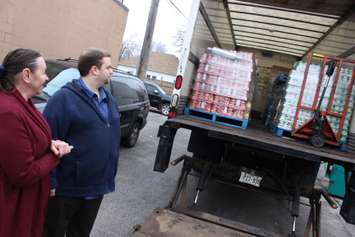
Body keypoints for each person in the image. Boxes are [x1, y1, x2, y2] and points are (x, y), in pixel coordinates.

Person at [43, 49, 120, 237]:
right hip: (67, 187)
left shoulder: (108, 100)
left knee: (80, 233)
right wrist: (50, 182)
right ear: (94, 69)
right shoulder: (64, 99)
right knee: (52, 232)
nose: (112, 71)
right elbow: (47, 142)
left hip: (96, 186)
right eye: (108, 67)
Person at [0, 48, 73, 237]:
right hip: (11, 207)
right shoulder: (9, 111)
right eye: (43, 72)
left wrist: (50, 142)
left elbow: (31, 137)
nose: (47, 77)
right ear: (26, 75)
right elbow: (23, 174)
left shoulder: (24, 103)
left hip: (27, 202)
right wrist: (56, 155)